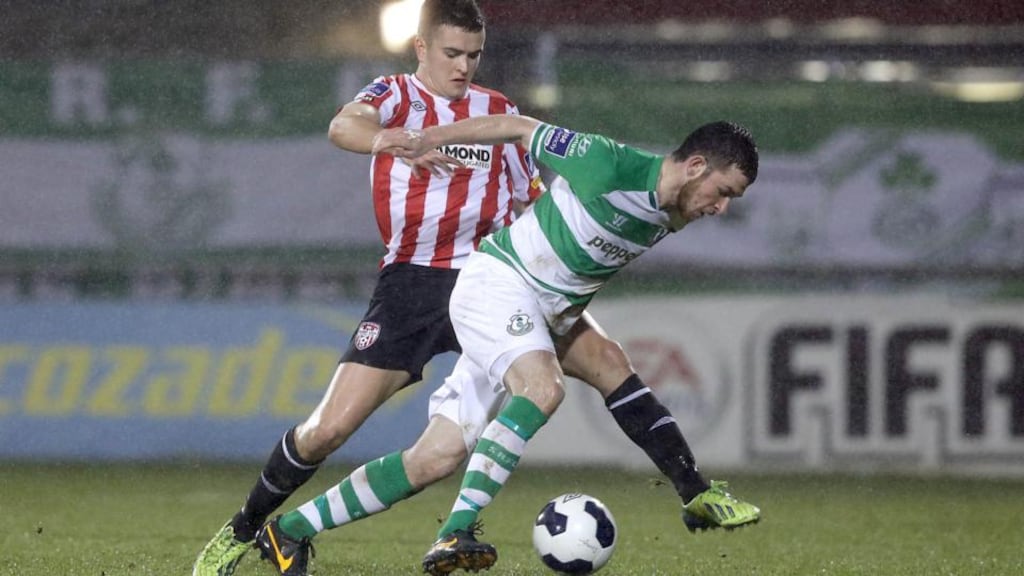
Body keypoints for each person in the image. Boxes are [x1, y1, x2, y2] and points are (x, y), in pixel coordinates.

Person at [192, 2, 757, 576]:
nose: (464, 66)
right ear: (421, 48)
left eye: (474, 55)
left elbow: (532, 188)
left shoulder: (497, 111)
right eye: (452, 54)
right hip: (415, 282)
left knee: (604, 364)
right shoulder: (394, 95)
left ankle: (693, 490)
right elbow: (343, 126)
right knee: (327, 430)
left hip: (508, 277)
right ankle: (242, 530)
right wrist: (396, 141)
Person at [371, 115, 762, 574]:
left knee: (435, 457)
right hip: (505, 287)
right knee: (541, 390)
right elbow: (515, 126)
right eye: (724, 193)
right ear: (696, 166)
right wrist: (425, 140)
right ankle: (456, 529)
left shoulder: (675, 210)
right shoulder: (604, 163)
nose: (721, 209)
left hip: (551, 311)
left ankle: (694, 493)